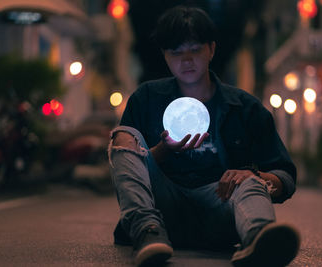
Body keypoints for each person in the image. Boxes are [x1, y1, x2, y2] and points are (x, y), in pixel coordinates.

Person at [108, 5, 300, 267]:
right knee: (124, 135)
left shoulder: (246, 108)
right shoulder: (146, 99)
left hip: (222, 212)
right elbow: (127, 169)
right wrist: (164, 150)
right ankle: (147, 231)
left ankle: (259, 238)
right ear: (165, 56)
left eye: (195, 49)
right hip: (162, 208)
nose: (186, 60)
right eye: (176, 52)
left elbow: (286, 178)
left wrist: (257, 177)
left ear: (211, 49)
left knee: (249, 180)